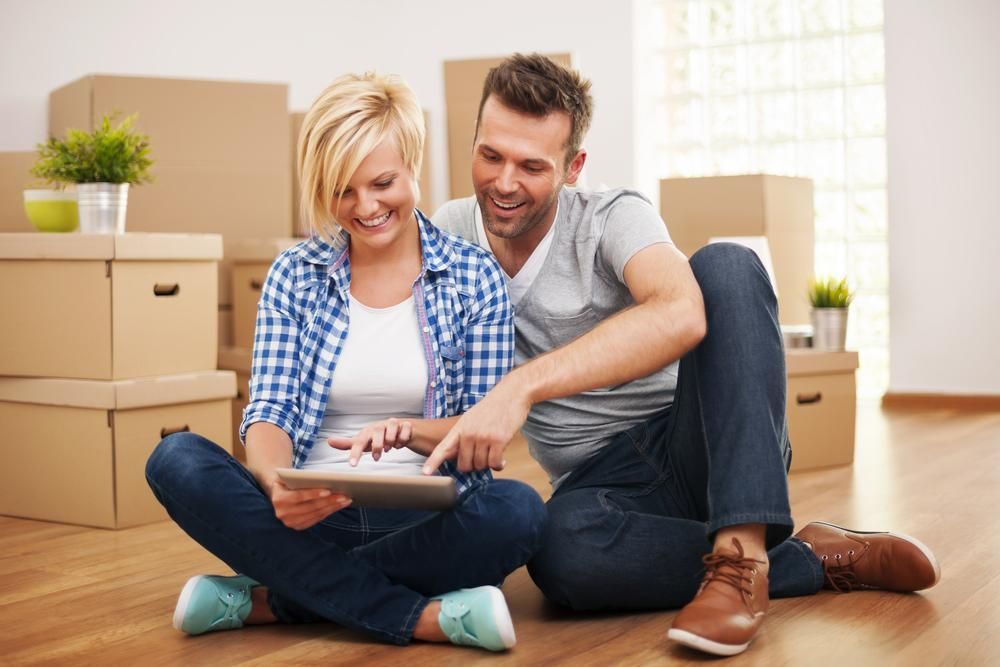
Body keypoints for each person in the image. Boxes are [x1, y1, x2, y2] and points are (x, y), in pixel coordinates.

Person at [427, 53, 941, 657]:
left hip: (701, 441)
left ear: (573, 168)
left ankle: (742, 550)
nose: (505, 183)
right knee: (559, 555)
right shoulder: (449, 232)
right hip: (600, 484)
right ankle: (802, 558)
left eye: (532, 166)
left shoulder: (613, 215)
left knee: (726, 264)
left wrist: (521, 386)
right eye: (490, 156)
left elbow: (681, 311)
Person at [144, 72, 547, 653]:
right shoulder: (294, 274)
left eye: (383, 182)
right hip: (306, 519)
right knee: (176, 458)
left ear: (413, 166)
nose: (366, 207)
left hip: (425, 523)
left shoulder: (473, 276)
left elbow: (479, 427)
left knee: (519, 512)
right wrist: (276, 485)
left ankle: (276, 599)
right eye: (343, 191)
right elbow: (270, 409)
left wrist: (406, 431)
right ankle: (420, 616)